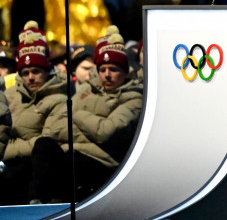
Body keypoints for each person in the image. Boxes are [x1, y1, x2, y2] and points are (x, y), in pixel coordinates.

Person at [34, 32, 144, 202]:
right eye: (102, 69)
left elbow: (105, 132)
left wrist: (76, 114)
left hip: (101, 163)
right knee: (43, 145)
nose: (107, 75)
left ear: (124, 71)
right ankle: (37, 208)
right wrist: (90, 129)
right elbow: (55, 127)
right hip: (71, 154)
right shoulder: (87, 90)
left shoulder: (134, 98)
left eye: (113, 69)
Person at [0, 31, 66, 205]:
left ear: (46, 70)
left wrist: (8, 147)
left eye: (36, 71)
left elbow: (47, 141)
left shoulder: (59, 98)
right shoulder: (9, 95)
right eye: (25, 72)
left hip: (35, 169)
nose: (30, 77)